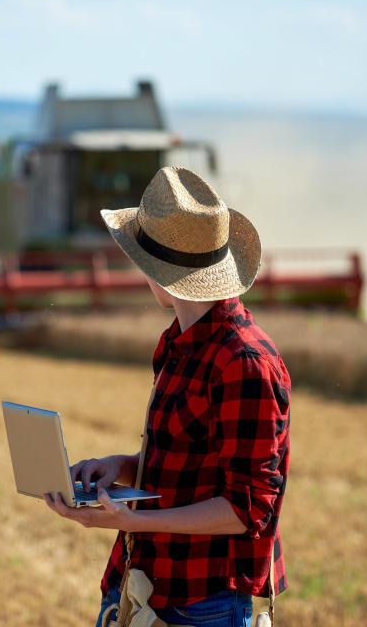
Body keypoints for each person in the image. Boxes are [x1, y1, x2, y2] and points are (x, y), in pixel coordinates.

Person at [44, 167, 291, 627]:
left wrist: (133, 522)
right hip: (143, 581)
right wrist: (119, 466)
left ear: (156, 270)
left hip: (203, 603)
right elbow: (189, 463)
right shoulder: (179, 341)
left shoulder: (246, 364)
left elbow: (246, 509)